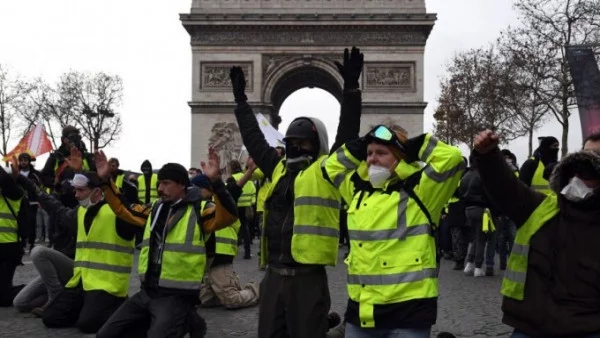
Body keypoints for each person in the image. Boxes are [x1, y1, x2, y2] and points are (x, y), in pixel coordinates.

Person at [229, 46, 363, 338]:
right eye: (291, 143)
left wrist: (351, 91)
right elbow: (254, 140)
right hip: (273, 275)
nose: (295, 148)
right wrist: (241, 102)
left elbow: (347, 136)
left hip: (307, 279)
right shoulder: (276, 169)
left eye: (302, 144)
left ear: (317, 147)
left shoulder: (327, 170)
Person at [324, 124, 464, 337]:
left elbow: (452, 158)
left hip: (409, 312)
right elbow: (330, 165)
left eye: (381, 153)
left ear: (399, 156)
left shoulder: (422, 189)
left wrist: (411, 145)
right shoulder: (355, 190)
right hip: (363, 310)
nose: (372, 158)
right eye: (369, 154)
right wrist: (361, 144)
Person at [95, 149, 238, 338]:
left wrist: (216, 182)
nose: (160, 188)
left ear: (182, 186)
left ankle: (185, 317)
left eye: (166, 183)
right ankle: (184, 319)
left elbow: (227, 216)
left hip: (177, 296)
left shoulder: (200, 209)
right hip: (148, 292)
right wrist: (106, 181)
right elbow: (124, 209)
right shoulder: (155, 209)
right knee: (105, 335)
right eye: (160, 183)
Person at [474, 129, 600, 337]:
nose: (585, 166)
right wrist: (488, 156)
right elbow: (506, 187)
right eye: (584, 157)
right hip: (531, 327)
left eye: (595, 161)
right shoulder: (541, 208)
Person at [16, 151, 140, 333]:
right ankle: (87, 310)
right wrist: (22, 180)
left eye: (81, 190)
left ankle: (122, 306)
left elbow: (126, 205)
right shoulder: (80, 212)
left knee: (88, 324)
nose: (76, 194)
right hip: (81, 281)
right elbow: (56, 208)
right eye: (75, 190)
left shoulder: (117, 214)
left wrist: (107, 180)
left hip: (108, 286)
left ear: (97, 192)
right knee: (51, 318)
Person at [195, 166, 259, 309]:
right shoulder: (197, 204)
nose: (195, 191)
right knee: (203, 301)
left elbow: (235, 188)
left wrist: (249, 171)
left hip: (221, 254)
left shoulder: (220, 200)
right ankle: (223, 287)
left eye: (198, 188)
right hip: (208, 259)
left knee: (232, 300)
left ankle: (257, 291)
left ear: (208, 188)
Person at [460, 153, 497, 277]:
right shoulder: (482, 175)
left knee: (475, 238)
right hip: (481, 209)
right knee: (482, 239)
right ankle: (478, 267)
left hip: (468, 209)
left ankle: (469, 264)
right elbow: (489, 194)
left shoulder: (465, 176)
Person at [0, 164, 26, 307]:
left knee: (3, 297)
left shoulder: (15, 194)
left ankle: (29, 291)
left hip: (9, 248)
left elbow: (5, 179)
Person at [40, 125, 95, 192]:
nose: (75, 141)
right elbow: (44, 177)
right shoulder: (55, 157)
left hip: (83, 197)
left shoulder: (87, 156)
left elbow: (96, 176)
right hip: (59, 198)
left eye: (78, 137)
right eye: (72, 137)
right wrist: (58, 183)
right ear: (63, 139)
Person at [227, 159, 256, 259]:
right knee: (245, 229)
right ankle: (247, 253)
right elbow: (253, 191)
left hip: (235, 206)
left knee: (234, 229)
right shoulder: (247, 178)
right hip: (246, 207)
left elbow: (229, 194)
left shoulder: (232, 178)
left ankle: (233, 248)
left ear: (231, 168)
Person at [18, 152, 42, 252]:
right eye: (21, 160)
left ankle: (31, 243)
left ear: (28, 161)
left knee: (32, 222)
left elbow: (40, 188)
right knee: (20, 222)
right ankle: (22, 243)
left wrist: (40, 200)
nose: (23, 162)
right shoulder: (16, 173)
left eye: (25, 160)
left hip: (32, 202)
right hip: (19, 202)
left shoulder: (35, 174)